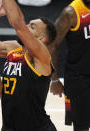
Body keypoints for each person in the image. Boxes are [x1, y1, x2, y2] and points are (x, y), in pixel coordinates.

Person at [0, 0, 57, 130]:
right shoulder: (13, 48)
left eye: (31, 27)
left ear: (41, 39)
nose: (26, 26)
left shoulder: (41, 55)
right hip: (10, 127)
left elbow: (18, 24)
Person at [49, 0, 90, 131]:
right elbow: (52, 44)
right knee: (81, 126)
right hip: (79, 78)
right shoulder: (71, 12)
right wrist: (54, 79)